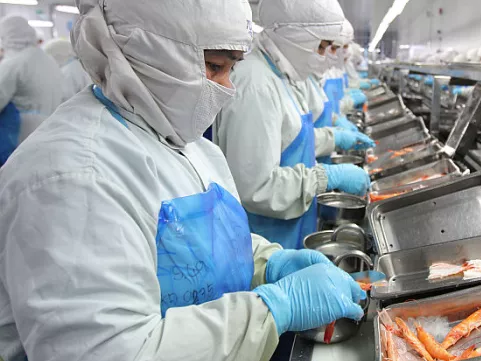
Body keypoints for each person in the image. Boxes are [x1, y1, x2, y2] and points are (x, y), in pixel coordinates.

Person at [0, 1, 367, 360]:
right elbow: (117, 350)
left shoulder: (182, 142)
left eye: (231, 69)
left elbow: (198, 241)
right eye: (214, 67)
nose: (229, 88)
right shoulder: (72, 179)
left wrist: (266, 263)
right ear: (149, 49)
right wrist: (275, 307)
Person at [214, 0, 372, 250]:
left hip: (291, 225)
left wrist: (335, 137)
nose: (324, 56)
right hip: (265, 237)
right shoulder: (257, 85)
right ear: (295, 36)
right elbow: (256, 188)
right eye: (321, 47)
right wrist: (326, 177)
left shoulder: (281, 76)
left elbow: (292, 138)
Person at [0, 16, 63, 165]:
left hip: (19, 136)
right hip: (49, 133)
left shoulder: (15, 62)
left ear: (6, 37)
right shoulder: (48, 59)